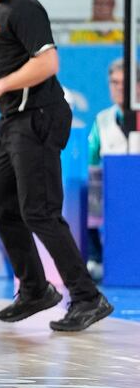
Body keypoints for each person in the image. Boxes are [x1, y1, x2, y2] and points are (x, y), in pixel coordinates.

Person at [0, 0, 112, 332]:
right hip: (10, 120)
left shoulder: (24, 8)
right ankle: (34, 290)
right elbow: (4, 76)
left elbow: (47, 63)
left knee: (40, 211)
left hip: (39, 117)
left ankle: (87, 297)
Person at [86, 58, 130, 281]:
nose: (120, 87)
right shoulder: (102, 119)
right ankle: (96, 257)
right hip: (112, 191)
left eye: (125, 82)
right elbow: (93, 161)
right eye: (114, 82)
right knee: (88, 194)